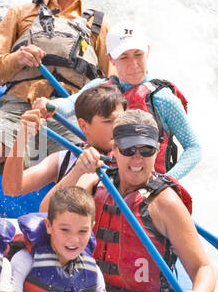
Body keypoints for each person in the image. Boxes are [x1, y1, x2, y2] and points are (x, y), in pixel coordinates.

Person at [0, 0, 111, 163]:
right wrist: (17, 58)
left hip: (68, 116)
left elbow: (112, 85)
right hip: (18, 109)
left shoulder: (98, 27)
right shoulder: (20, 14)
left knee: (83, 169)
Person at [91, 110, 215, 292]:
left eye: (146, 150)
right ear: (114, 150)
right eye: (128, 150)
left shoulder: (165, 203)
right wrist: (77, 171)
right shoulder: (96, 183)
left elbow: (203, 268)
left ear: (157, 151)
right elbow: (49, 215)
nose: (137, 159)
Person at [41, 29, 200, 180]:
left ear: (148, 51)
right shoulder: (99, 87)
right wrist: (48, 104)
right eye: (124, 57)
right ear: (110, 58)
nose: (134, 64)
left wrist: (167, 181)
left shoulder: (164, 100)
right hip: (103, 177)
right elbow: (67, 106)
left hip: (148, 185)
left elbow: (193, 148)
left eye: (138, 55)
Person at [4, 187, 121, 292]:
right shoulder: (25, 261)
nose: (74, 240)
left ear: (92, 228)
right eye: (65, 230)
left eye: (83, 231)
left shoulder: (93, 271)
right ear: (49, 226)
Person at [1, 83, 124, 204]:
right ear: (83, 126)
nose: (118, 127)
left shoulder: (136, 157)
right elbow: (12, 188)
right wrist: (22, 137)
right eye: (108, 121)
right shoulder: (66, 158)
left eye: (122, 120)